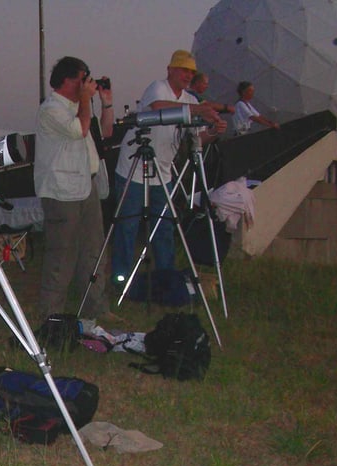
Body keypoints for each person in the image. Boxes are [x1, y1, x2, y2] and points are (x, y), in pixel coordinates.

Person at [111, 50, 226, 286]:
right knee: (128, 226)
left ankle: (166, 279)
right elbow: (158, 109)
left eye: (191, 72)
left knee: (164, 226)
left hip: (162, 172)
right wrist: (197, 110)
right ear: (171, 70)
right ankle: (121, 280)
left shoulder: (191, 100)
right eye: (183, 70)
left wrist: (213, 132)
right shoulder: (158, 88)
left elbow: (196, 140)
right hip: (134, 166)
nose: (187, 75)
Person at [33, 57, 115, 321]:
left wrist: (106, 102)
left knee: (94, 250)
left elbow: (106, 132)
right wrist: (84, 101)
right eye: (83, 78)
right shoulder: (52, 109)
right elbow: (78, 130)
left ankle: (95, 307)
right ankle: (51, 314)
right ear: (68, 80)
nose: (87, 84)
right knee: (62, 254)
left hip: (86, 185)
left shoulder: (79, 106)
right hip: (61, 192)